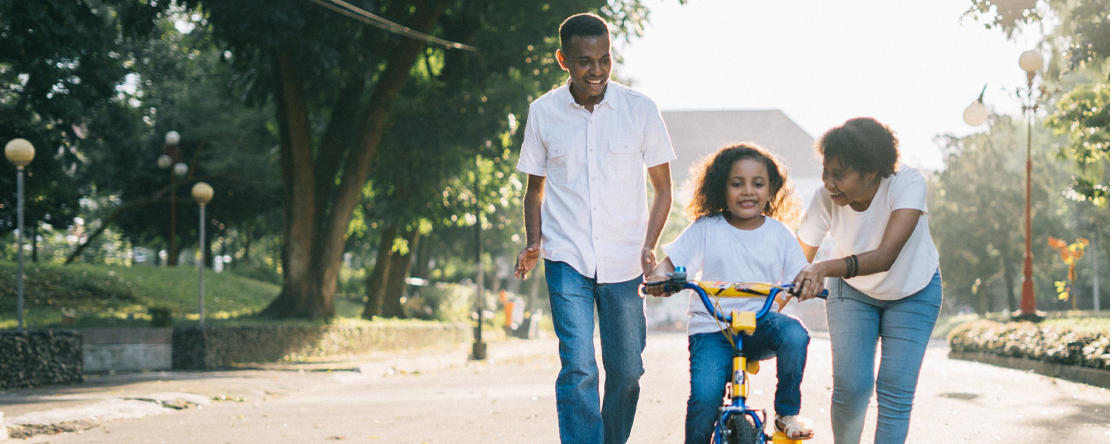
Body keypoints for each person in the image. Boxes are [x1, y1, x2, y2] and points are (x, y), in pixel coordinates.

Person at [512, 12, 675, 444]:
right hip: (567, 257)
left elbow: (663, 190)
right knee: (579, 365)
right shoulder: (543, 113)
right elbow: (534, 191)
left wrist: (649, 246)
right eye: (585, 61)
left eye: (605, 59)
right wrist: (534, 241)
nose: (597, 70)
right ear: (564, 59)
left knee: (626, 371)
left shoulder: (640, 110)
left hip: (624, 260)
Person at [644, 143, 815, 443]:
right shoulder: (706, 228)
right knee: (704, 398)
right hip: (712, 327)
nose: (748, 191)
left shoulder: (779, 234)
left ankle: (786, 414)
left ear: (771, 189)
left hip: (760, 324)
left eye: (757, 184)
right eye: (737, 184)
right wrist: (659, 278)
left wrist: (808, 284)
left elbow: (800, 275)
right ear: (721, 188)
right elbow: (668, 266)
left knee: (796, 334)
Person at [792, 117, 942, 444]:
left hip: (914, 291)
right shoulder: (824, 199)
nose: (829, 183)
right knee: (852, 387)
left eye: (839, 174)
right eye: (825, 172)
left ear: (871, 170)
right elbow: (795, 263)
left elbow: (886, 255)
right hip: (853, 292)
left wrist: (824, 268)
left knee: (895, 389)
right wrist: (762, 305)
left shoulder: (907, 183)